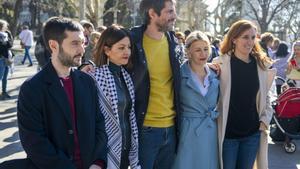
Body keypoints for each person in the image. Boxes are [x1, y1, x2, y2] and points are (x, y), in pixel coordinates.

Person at [17, 17, 107, 169]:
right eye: (75, 43)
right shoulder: (32, 89)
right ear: (53, 45)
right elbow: (34, 142)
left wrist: (98, 162)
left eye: (83, 42)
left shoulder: (87, 82)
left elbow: (99, 124)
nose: (82, 49)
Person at [214, 19, 276, 169]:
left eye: (253, 37)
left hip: (252, 134)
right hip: (228, 135)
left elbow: (267, 95)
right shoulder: (220, 64)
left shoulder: (261, 65)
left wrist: (264, 121)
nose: (250, 41)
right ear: (234, 39)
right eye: (245, 37)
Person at [129, 0, 183, 168]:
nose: (175, 16)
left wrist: (208, 67)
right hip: (145, 130)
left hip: (172, 129)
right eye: (169, 12)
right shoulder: (132, 39)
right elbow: (109, 59)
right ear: (152, 14)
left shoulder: (173, 41)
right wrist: (86, 67)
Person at [88, 24, 140, 169]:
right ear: (107, 50)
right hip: (104, 150)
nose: (127, 52)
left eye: (129, 47)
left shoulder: (126, 77)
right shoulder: (94, 77)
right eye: (121, 47)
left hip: (126, 148)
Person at [173, 31, 219, 169]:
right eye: (197, 50)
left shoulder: (215, 73)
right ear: (189, 52)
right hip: (187, 132)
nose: (203, 54)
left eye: (206, 49)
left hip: (211, 130)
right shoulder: (179, 74)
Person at [0, 19, 13, 100]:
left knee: (5, 77)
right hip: (1, 58)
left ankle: (4, 92)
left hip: (7, 58)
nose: (6, 27)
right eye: (5, 26)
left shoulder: (6, 34)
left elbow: (10, 45)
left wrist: (8, 36)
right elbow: (3, 47)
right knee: (0, 77)